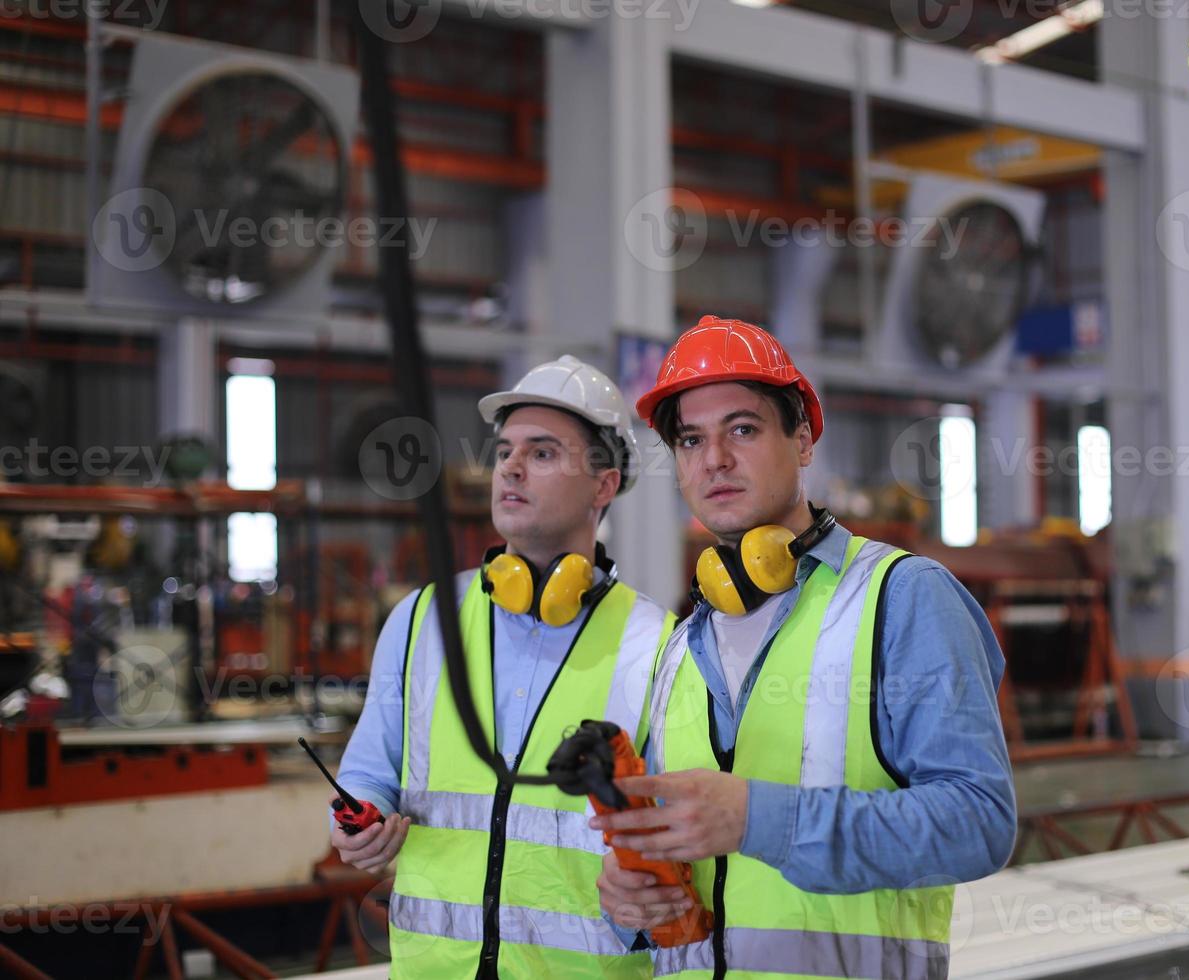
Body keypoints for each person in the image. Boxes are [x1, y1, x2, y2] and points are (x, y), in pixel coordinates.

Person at [591, 316, 1016, 979]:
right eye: (691, 440)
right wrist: (630, 898)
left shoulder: (900, 600)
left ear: (804, 438)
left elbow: (978, 824)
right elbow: (689, 864)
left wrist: (759, 819)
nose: (715, 461)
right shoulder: (682, 646)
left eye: (743, 429)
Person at [331, 356, 675, 979]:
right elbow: (367, 773)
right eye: (506, 450)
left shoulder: (656, 645)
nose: (510, 468)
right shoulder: (423, 619)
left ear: (604, 485)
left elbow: (677, 833)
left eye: (542, 454)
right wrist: (362, 821)